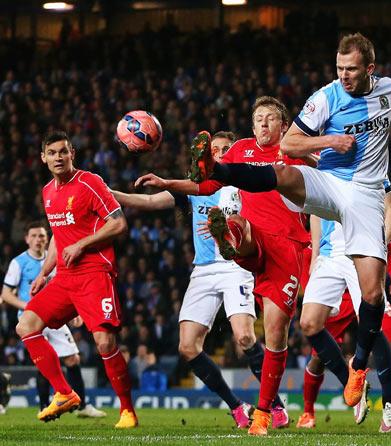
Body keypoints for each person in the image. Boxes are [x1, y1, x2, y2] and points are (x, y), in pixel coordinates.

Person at [136, 33, 391, 430]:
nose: (344, 76)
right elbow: (292, 142)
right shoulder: (326, 97)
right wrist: (330, 140)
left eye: (351, 70)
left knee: (372, 294)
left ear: (370, 69)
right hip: (329, 183)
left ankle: (358, 368)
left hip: (364, 196)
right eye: (339, 69)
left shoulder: (389, 90)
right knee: (284, 173)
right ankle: (215, 171)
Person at [135, 97, 311, 436]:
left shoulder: (295, 153)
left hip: (287, 245)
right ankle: (228, 236)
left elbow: (325, 183)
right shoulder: (241, 150)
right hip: (246, 241)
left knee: (273, 333)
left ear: (283, 126)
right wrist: (171, 182)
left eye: (270, 119)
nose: (262, 124)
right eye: (257, 118)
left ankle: (266, 408)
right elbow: (208, 185)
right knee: (236, 222)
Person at [112, 131, 276, 428]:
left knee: (245, 337)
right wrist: (110, 194)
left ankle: (273, 406)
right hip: (202, 270)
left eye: (227, 148)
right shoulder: (194, 188)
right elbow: (148, 203)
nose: (222, 152)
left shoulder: (246, 186)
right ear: (207, 155)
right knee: (188, 347)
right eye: (216, 149)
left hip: (235, 266)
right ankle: (237, 408)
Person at [15, 131, 137, 428]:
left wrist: (82, 244)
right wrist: (44, 272)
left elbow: (118, 223)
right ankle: (63, 392)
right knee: (26, 325)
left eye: (64, 152)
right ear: (43, 158)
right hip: (65, 278)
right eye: (52, 153)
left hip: (94, 272)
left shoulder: (89, 182)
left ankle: (127, 411)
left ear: (72, 154)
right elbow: (58, 235)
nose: (59, 157)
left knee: (104, 342)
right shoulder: (47, 192)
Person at [296, 184, 391, 432]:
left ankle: (390, 402)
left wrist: (379, 245)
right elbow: (317, 211)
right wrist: (315, 258)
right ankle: (351, 382)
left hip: (362, 252)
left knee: (375, 329)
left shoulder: (371, 165)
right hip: (329, 258)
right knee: (308, 324)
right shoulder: (324, 165)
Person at [2, 221, 106, 418]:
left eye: (41, 236)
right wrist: (27, 307)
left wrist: (75, 312)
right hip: (33, 317)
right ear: (26, 239)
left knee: (72, 358)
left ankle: (81, 406)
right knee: (47, 358)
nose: (38, 239)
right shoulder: (19, 262)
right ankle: (44, 405)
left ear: (47, 239)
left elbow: (67, 288)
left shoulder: (57, 258)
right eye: (33, 236)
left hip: (54, 313)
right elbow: (6, 294)